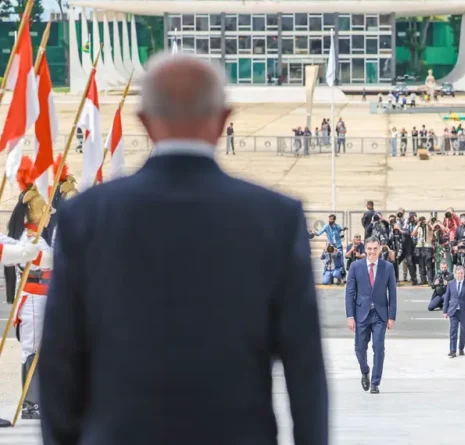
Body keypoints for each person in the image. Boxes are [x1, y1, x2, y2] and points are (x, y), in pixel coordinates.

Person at [38, 53, 328, 445]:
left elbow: (59, 360)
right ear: (224, 117)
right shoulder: (275, 218)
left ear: (143, 122)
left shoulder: (86, 217)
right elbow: (304, 365)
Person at [4, 156, 55, 422]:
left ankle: (37, 399)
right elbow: (43, 260)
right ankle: (30, 402)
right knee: (31, 350)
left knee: (41, 349)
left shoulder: (38, 237)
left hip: (43, 298)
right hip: (33, 299)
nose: (49, 217)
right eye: (46, 212)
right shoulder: (29, 238)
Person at [346, 236, 397, 394]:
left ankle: (375, 382)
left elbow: (393, 294)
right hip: (361, 314)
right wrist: (350, 316)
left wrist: (391, 317)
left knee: (379, 347)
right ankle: (365, 370)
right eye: (369, 249)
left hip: (380, 314)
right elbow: (350, 293)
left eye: (375, 249)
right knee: (359, 349)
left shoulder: (387, 267)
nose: (372, 252)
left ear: (379, 249)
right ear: (365, 249)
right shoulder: (356, 266)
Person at [443, 266, 465, 357]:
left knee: (463, 330)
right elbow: (447, 297)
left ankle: (461, 348)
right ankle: (452, 350)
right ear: (455, 274)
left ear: (464, 274)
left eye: (461, 273)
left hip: (464, 311)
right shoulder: (451, 283)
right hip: (453, 311)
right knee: (453, 330)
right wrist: (445, 311)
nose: (460, 275)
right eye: (458, 273)